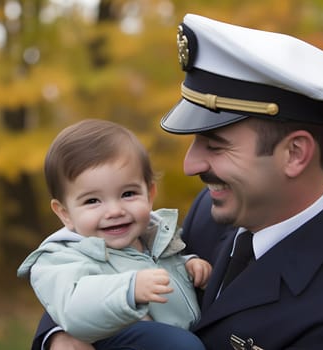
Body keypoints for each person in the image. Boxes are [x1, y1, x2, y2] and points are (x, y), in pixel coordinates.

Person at [35, 14, 323, 350]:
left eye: (215, 144)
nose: (191, 164)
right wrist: (59, 334)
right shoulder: (214, 211)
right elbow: (96, 267)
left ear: (295, 154)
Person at [17, 119, 211, 350]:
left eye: (128, 193)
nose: (115, 211)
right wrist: (128, 290)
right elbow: (73, 308)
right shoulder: (60, 258)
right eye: (92, 201)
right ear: (65, 213)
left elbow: (159, 270)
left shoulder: (157, 239)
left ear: (149, 194)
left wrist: (188, 266)